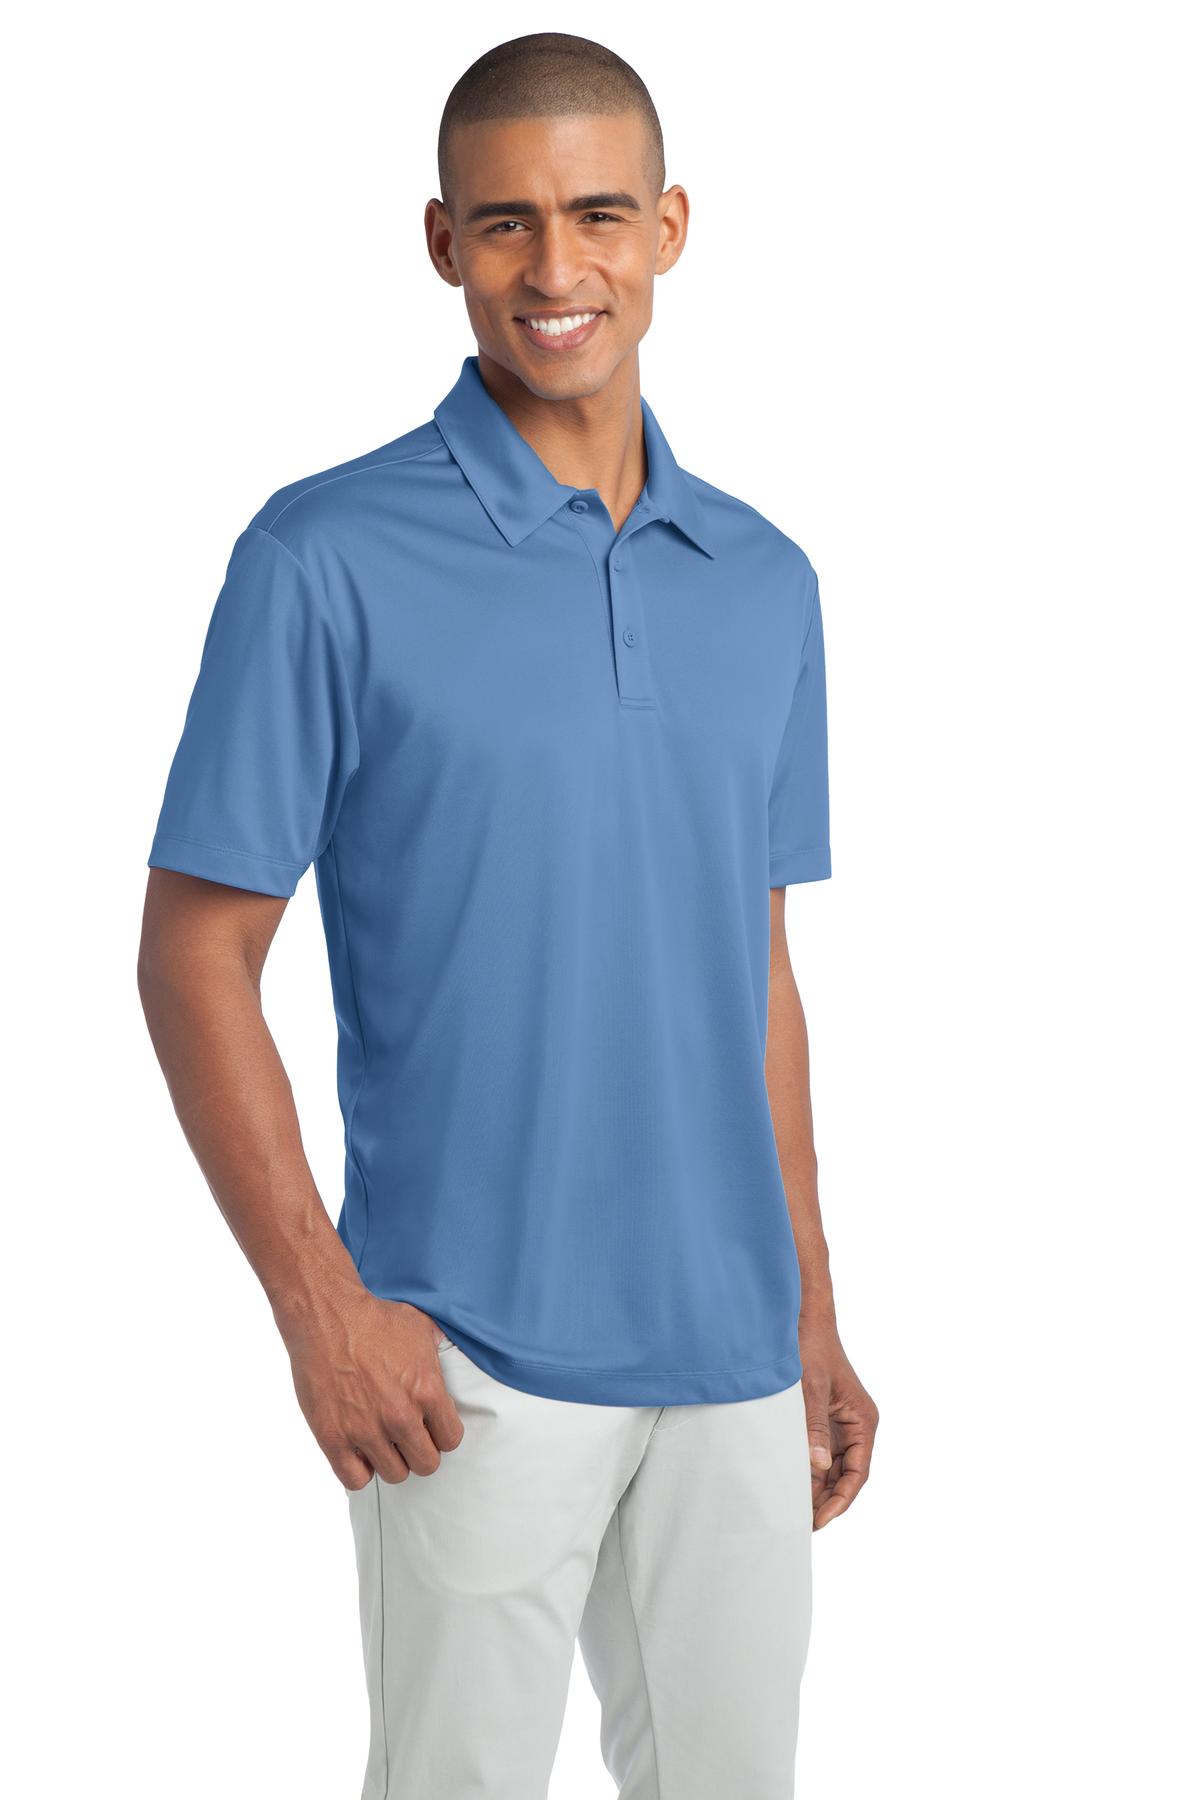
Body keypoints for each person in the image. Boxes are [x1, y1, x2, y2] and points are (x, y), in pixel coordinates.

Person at [137, 30, 878, 1800]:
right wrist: (320, 1306)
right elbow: (194, 951)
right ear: (442, 243)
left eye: (599, 215)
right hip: (469, 1356)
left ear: (671, 229)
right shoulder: (321, 556)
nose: (558, 268)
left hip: (731, 1353)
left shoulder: (765, 580)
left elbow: (756, 970)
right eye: (505, 224)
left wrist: (811, 1307)